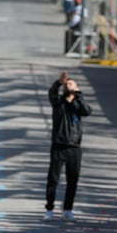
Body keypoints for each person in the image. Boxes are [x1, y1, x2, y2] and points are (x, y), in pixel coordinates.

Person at [44, 71, 92, 222]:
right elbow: (51, 92)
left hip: (74, 147)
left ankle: (68, 209)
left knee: (73, 180)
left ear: (77, 87)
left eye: (71, 83)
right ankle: (49, 209)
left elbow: (87, 111)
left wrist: (78, 95)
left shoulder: (79, 105)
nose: (68, 85)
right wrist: (59, 82)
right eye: (66, 84)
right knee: (53, 179)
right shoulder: (58, 103)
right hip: (59, 145)